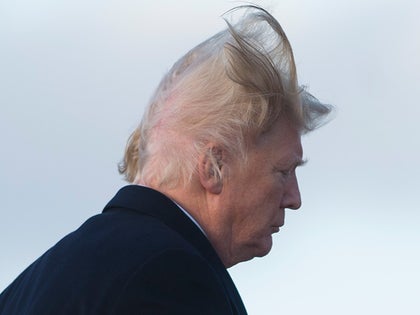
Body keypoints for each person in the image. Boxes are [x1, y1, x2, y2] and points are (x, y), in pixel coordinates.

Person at [0, 5, 331, 315]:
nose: (294, 199)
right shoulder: (170, 274)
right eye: (283, 171)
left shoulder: (35, 282)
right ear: (215, 167)